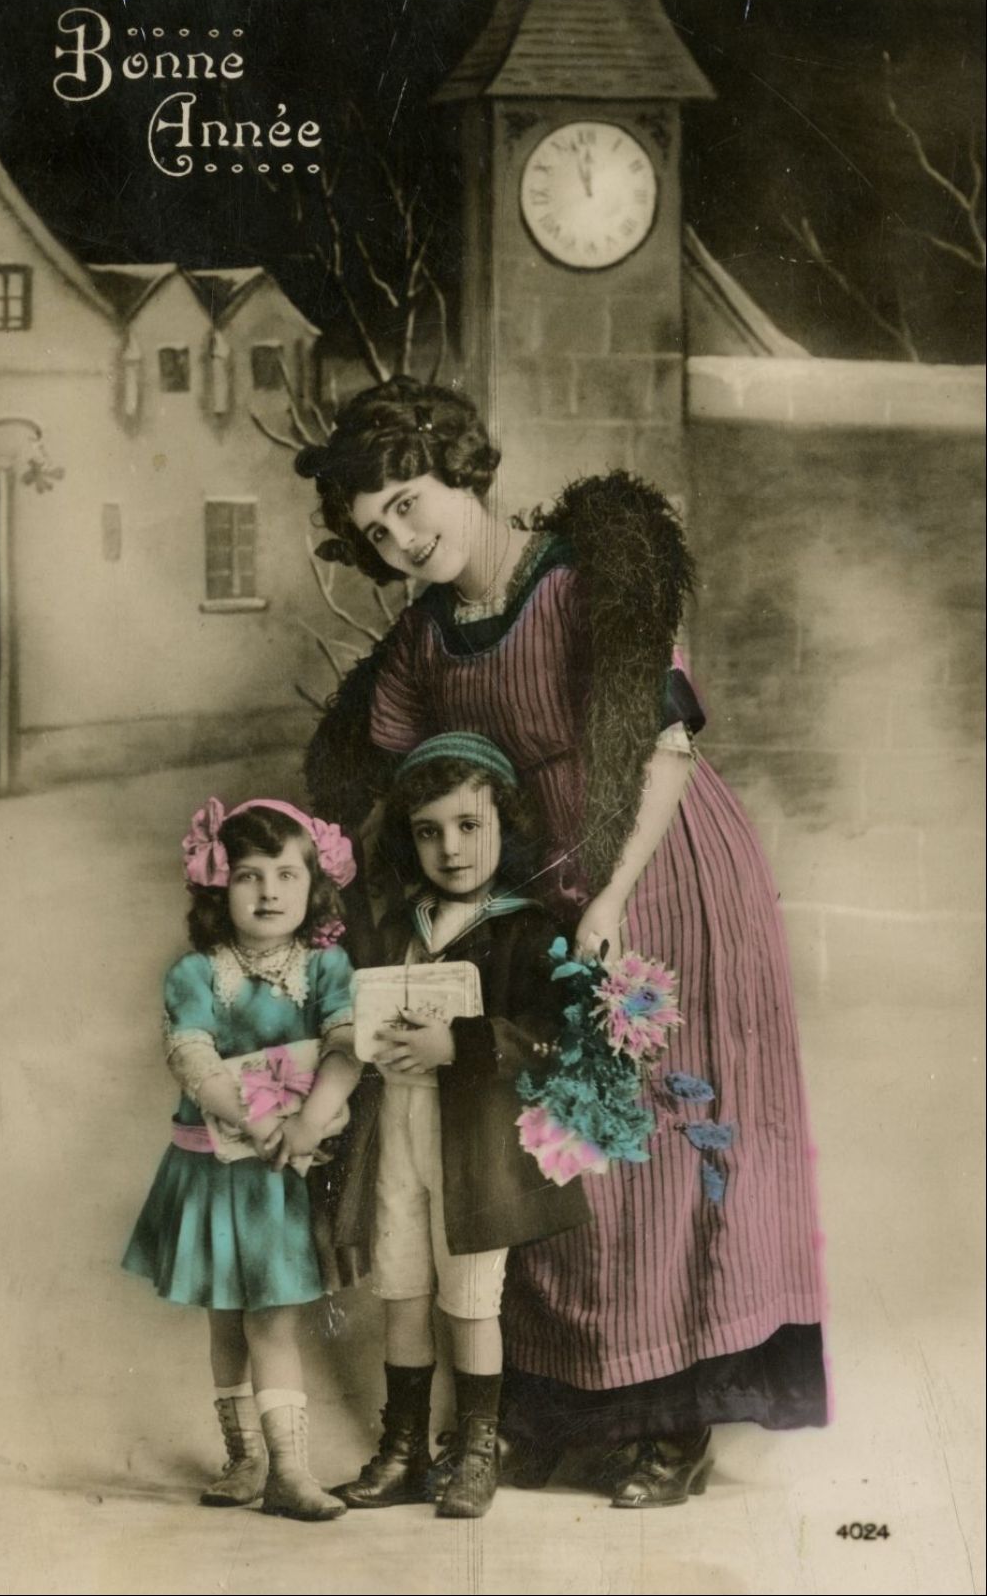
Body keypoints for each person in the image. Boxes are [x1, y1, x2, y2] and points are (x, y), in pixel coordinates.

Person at [296, 376, 828, 1507]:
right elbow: (382, 784)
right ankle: (557, 1413)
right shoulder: (425, 637)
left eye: (406, 500)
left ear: (457, 468)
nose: (400, 537)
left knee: (662, 1141)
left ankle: (673, 1423)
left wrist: (612, 896)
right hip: (533, 888)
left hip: (659, 864)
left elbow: (668, 748)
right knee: (539, 1137)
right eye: (375, 530)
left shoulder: (589, 577)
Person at [333, 732, 590, 1520]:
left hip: (472, 1151)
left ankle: (476, 1451)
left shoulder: (526, 929)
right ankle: (404, 1448)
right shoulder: (397, 926)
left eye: (470, 826)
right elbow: (359, 1005)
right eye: (429, 831)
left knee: (472, 1301)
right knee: (403, 1293)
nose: (450, 848)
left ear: (505, 825)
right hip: (397, 1135)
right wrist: (353, 1032)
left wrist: (462, 1044)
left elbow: (553, 1035)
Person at [121, 797, 362, 1522]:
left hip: (284, 1175)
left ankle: (290, 1470)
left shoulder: (327, 968)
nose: (268, 893)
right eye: (249, 876)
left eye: (287, 875)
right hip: (216, 1167)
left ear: (314, 885)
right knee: (226, 1318)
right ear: (217, 886)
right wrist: (255, 1119)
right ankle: (245, 1458)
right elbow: (192, 1056)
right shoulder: (197, 973)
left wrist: (310, 1120)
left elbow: (348, 1046)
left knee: (274, 1321)